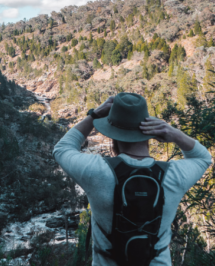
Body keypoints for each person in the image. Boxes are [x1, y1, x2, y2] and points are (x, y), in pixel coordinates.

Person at [53, 92, 212, 266]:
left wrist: (95, 115)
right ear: (149, 135)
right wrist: (173, 134)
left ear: (112, 136)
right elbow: (203, 158)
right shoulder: (174, 174)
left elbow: (62, 148)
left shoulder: (96, 170)